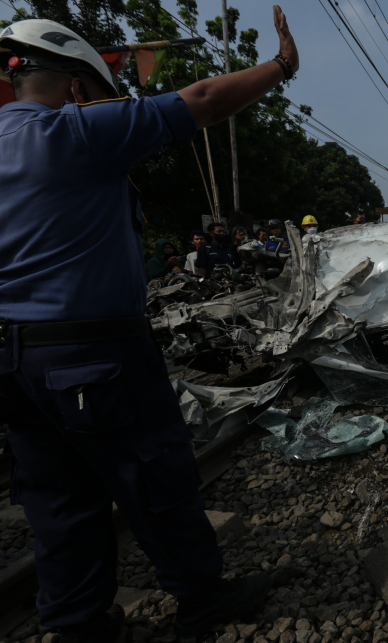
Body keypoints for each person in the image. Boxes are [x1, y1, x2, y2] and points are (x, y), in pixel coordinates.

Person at [0, 7, 299, 642]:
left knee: (57, 498)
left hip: (14, 360)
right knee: (154, 472)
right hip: (93, 348)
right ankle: (202, 599)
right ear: (78, 85)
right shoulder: (74, 132)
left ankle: (79, 625)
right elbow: (204, 99)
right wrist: (280, 66)